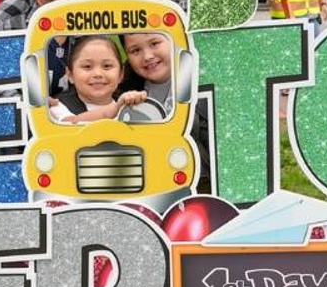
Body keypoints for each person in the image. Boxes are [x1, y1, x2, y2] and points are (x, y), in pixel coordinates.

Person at [120, 30, 212, 196]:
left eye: (154, 43)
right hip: (147, 189)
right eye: (135, 50)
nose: (147, 56)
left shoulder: (203, 83)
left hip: (197, 185)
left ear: (175, 40)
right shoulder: (124, 90)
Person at [48, 35, 148, 124]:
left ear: (121, 74)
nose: (97, 74)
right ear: (70, 75)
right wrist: (117, 108)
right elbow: (72, 122)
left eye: (107, 66)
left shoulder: (132, 108)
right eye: (87, 66)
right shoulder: (58, 105)